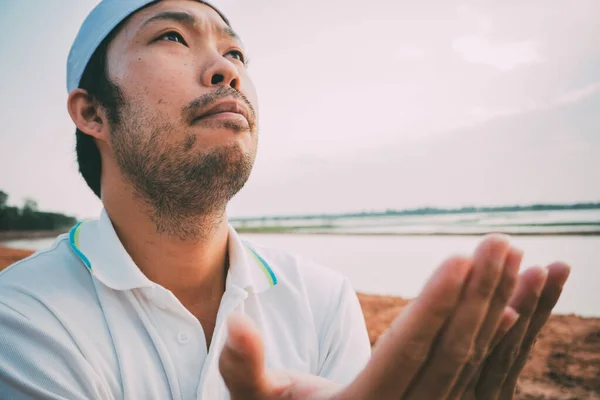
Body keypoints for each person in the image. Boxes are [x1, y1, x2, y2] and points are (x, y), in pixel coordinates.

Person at [0, 1, 571, 399]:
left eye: (237, 54)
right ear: (94, 112)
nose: (226, 69)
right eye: (172, 37)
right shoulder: (21, 318)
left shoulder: (322, 300)